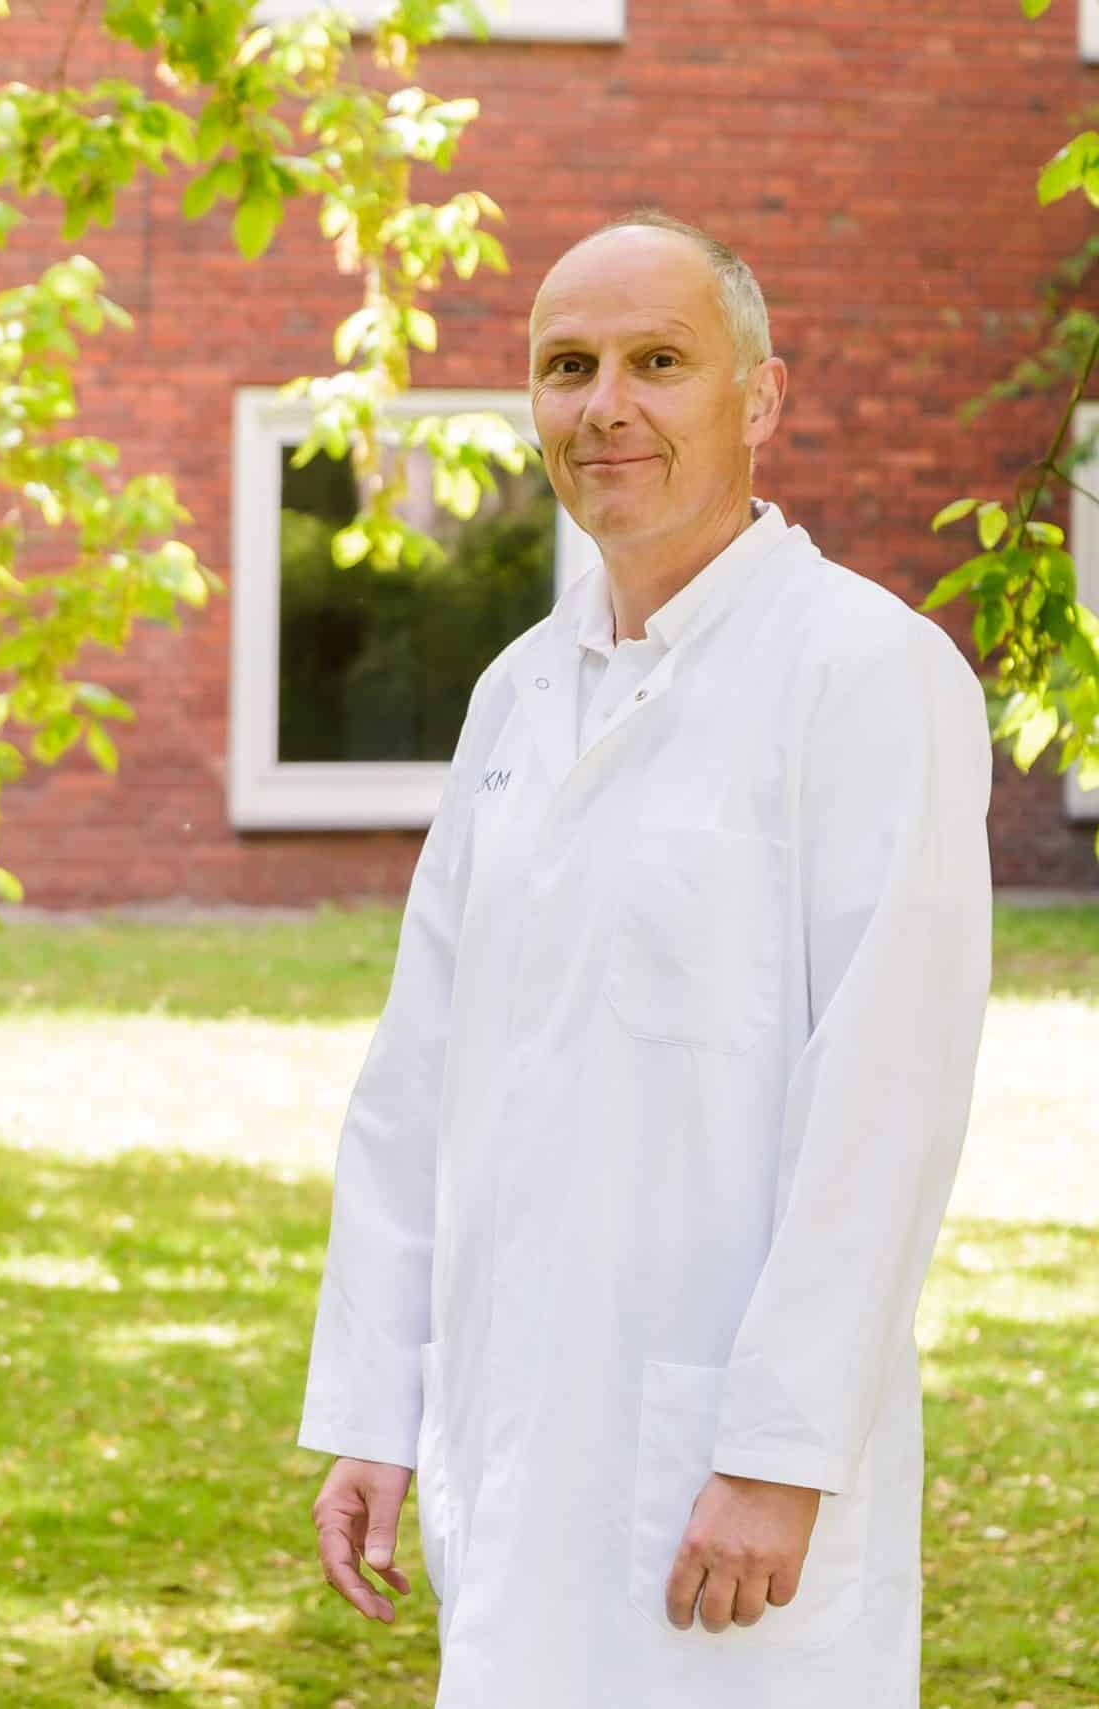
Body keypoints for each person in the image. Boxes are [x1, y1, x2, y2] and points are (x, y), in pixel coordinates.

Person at [297, 211, 992, 1706]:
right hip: (514, 1424)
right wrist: (377, 1406)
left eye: (657, 362)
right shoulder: (518, 691)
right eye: (567, 367)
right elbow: (419, 1075)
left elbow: (887, 1100)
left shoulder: (868, 675)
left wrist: (780, 1452)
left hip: (718, 1469)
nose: (604, 405)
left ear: (759, 399)